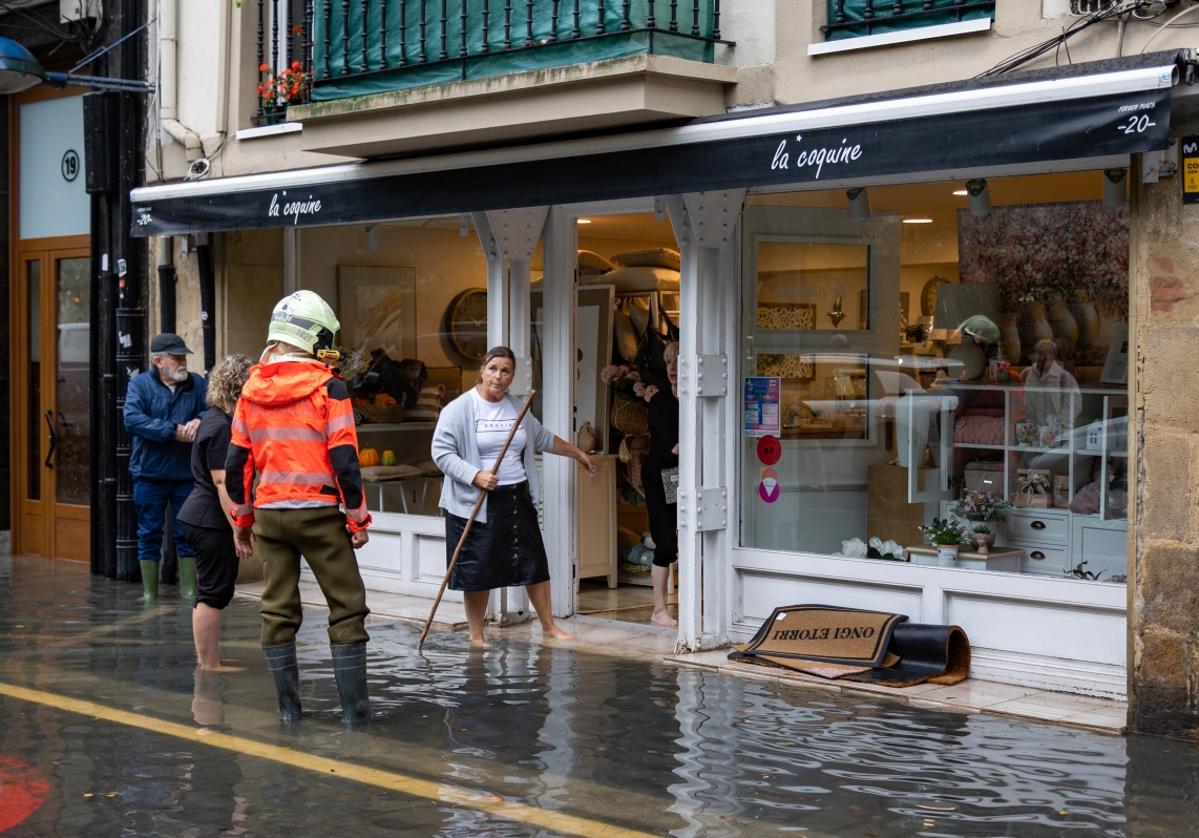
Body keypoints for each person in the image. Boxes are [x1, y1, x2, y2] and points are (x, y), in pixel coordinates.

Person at [225, 290, 373, 725]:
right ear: (312, 337)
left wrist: (242, 521)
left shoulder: (250, 391)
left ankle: (289, 713)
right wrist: (358, 518)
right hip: (321, 516)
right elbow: (345, 461)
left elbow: (238, 466)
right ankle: (355, 715)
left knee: (276, 609)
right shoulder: (331, 387)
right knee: (346, 606)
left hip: (270, 516)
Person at [432, 346, 597, 647]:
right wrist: (474, 475)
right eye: (493, 368)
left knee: (534, 562)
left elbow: (543, 438)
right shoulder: (459, 409)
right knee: (479, 569)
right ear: (482, 370)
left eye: (505, 370)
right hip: (477, 503)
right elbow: (441, 453)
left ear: (511, 376)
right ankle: (476, 635)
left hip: (516, 497)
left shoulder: (517, 407)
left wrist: (578, 454)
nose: (498, 376)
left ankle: (549, 626)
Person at [178, 354, 253, 671]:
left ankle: (209, 659)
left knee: (213, 590)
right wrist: (239, 529)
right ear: (239, 389)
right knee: (212, 593)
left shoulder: (212, 418)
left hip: (200, 515)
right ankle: (208, 664)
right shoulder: (221, 427)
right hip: (210, 520)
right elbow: (222, 483)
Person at [122, 333, 207, 602]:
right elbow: (133, 420)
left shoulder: (197, 384)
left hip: (186, 473)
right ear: (158, 360)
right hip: (150, 473)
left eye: (184, 356)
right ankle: (149, 593)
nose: (183, 361)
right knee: (148, 532)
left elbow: (215, 409)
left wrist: (200, 420)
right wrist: (172, 430)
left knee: (187, 532)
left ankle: (189, 590)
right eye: (176, 357)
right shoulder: (140, 385)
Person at [640, 340, 680, 627]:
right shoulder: (661, 402)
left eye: (679, 363)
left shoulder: (695, 399)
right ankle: (659, 610)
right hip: (663, 475)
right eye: (669, 363)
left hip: (685, 475)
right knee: (666, 541)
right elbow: (672, 447)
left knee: (693, 540)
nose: (673, 369)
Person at [1022, 338, 1081, 429]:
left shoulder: (1064, 377)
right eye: (1040, 356)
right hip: (1034, 429)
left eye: (1046, 357)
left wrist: (1063, 425)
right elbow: (1027, 402)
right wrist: (1030, 423)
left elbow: (1073, 404)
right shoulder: (1030, 374)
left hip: (1055, 430)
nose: (1042, 361)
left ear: (1053, 357)